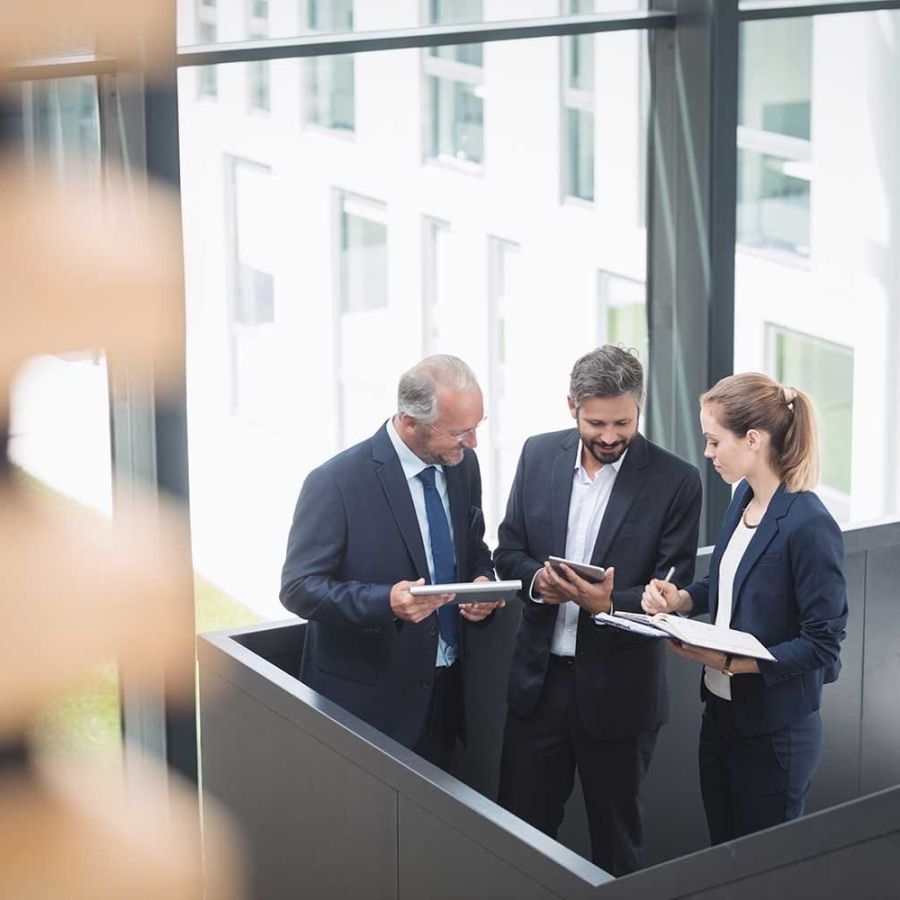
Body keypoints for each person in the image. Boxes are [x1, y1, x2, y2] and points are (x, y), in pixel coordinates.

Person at [495, 345, 702, 875]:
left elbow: (671, 590)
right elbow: (508, 550)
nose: (609, 436)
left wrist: (609, 602)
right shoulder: (537, 455)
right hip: (538, 688)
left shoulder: (676, 481)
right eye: (596, 422)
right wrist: (539, 582)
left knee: (617, 847)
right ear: (571, 407)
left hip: (621, 696)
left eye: (622, 422)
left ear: (640, 408)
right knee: (518, 838)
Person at [642, 373, 848, 845]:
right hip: (720, 717)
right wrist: (683, 600)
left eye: (714, 441)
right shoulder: (742, 499)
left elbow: (824, 646)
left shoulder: (810, 525)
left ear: (753, 440)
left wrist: (733, 663)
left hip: (775, 734)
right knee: (724, 863)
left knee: (762, 879)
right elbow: (724, 582)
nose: (708, 453)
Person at [280, 355, 500, 769]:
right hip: (366, 708)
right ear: (411, 421)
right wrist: (387, 602)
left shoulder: (462, 466)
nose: (472, 443)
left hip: (446, 694)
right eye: (459, 432)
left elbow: (472, 545)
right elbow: (297, 588)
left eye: (476, 427)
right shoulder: (335, 483)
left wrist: (481, 581)